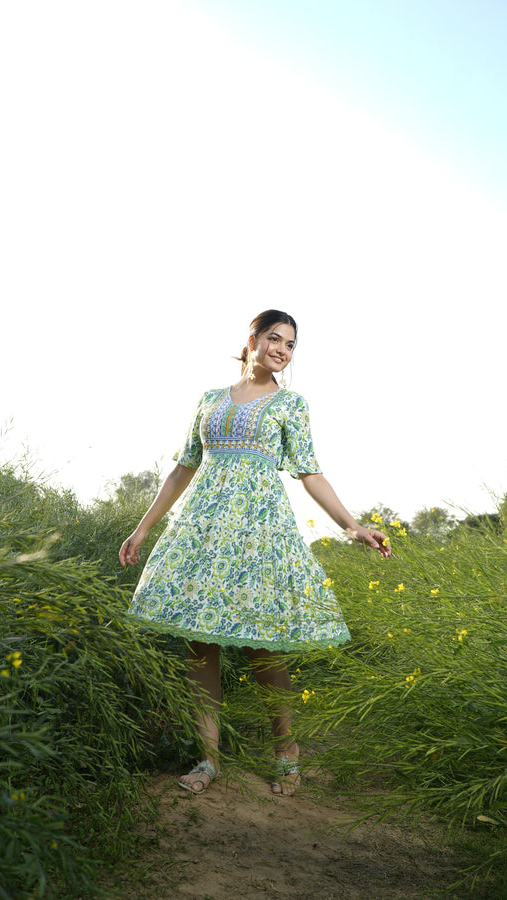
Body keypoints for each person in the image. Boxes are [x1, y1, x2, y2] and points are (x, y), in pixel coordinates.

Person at [119, 310, 390, 796]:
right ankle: (208, 758)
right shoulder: (208, 400)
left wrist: (352, 526)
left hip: (257, 537)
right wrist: (143, 529)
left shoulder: (291, 404)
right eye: (274, 338)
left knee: (263, 645)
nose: (282, 350)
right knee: (199, 646)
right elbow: (183, 468)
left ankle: (287, 753)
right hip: (202, 534)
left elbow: (309, 472)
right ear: (252, 339)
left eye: (290, 344)